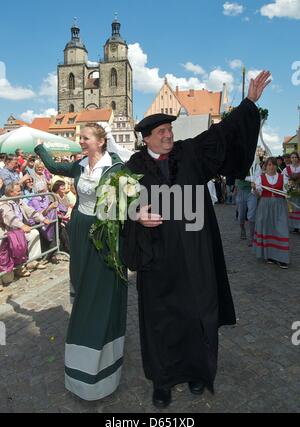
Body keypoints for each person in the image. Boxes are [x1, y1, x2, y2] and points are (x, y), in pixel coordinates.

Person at [123, 70, 271, 408]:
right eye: (161, 132)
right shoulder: (132, 168)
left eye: (170, 130)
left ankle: (196, 373)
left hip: (195, 253)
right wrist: (136, 214)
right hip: (157, 260)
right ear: (146, 137)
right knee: (160, 320)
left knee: (197, 313)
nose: (168, 135)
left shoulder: (189, 153)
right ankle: (161, 381)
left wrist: (248, 103)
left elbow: (223, 133)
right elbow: (114, 206)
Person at [34, 123, 127, 401]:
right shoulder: (79, 165)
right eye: (80, 138)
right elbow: (53, 166)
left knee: (101, 289)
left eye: (84, 138)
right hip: (79, 229)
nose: (80, 142)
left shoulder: (116, 168)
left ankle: (101, 346)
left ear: (100, 141)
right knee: (83, 284)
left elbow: (124, 206)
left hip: (103, 234)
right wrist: (41, 147)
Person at [0, 182, 50, 276]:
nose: (21, 193)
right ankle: (19, 267)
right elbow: (9, 216)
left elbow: (30, 211)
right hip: (9, 231)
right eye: (18, 191)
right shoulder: (3, 202)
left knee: (34, 233)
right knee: (18, 240)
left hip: (20, 229)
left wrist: (42, 218)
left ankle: (32, 261)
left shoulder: (18, 200)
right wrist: (21, 226)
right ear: (11, 192)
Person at [252, 157, 289, 269]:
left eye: (273, 164)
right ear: (265, 166)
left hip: (279, 206)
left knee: (282, 230)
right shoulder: (260, 178)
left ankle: (282, 258)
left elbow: (286, 191)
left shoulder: (283, 177)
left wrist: (289, 191)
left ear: (276, 166)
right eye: (269, 165)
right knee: (267, 229)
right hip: (265, 205)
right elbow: (258, 194)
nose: (271, 167)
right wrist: (254, 189)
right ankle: (270, 256)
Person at [282, 151, 300, 232]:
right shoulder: (287, 169)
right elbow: (284, 180)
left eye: (295, 157)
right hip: (291, 191)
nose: (294, 159)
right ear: (290, 159)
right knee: (291, 208)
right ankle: (292, 226)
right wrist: (288, 188)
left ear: (298, 158)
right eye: (292, 157)